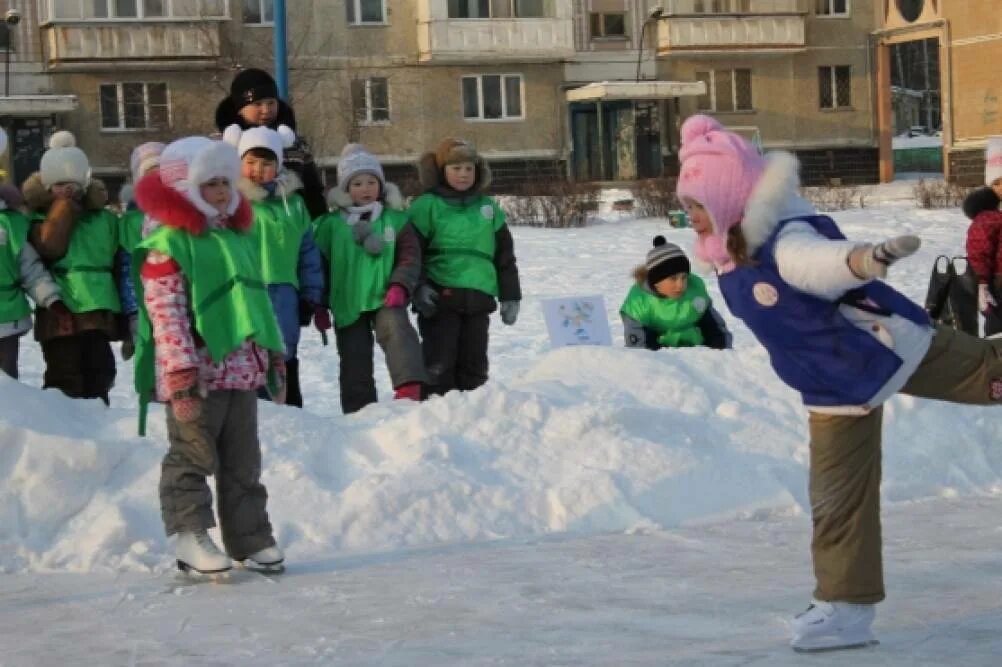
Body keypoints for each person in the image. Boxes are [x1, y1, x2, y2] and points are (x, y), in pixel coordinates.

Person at [675, 114, 1002, 652]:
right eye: (686, 206)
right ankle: (845, 609)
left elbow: (818, 266)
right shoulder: (732, 251)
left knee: (991, 371)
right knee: (835, 498)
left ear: (728, 197)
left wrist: (864, 260)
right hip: (835, 386)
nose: (691, 217)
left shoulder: (785, 238)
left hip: (889, 349)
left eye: (697, 205)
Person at [132, 135, 288, 575]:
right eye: (211, 184)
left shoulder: (235, 235)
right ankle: (189, 534)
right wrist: (180, 372)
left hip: (240, 370)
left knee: (243, 461)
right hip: (196, 375)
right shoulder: (168, 242)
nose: (222, 193)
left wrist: (271, 354)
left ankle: (250, 537)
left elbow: (254, 300)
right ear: (184, 188)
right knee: (193, 455)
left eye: (226, 182)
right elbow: (166, 311)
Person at [313, 143, 427, 413]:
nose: (365, 189)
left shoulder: (395, 220)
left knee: (400, 335)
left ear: (381, 185)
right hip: (347, 303)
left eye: (371, 182)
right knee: (354, 359)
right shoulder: (330, 226)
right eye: (358, 183)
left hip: (385, 297)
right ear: (345, 189)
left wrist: (400, 283)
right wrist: (318, 302)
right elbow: (318, 266)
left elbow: (410, 256)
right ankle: (359, 412)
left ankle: (409, 390)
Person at [409, 138, 520, 395]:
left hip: (479, 297)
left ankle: (473, 413)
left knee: (475, 361)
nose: (463, 174)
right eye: (456, 168)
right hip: (440, 296)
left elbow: (504, 256)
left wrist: (510, 295)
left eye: (469, 168)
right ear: (441, 171)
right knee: (440, 360)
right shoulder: (427, 206)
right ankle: (437, 410)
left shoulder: (488, 208)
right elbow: (411, 252)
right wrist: (419, 286)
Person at [224, 123, 324, 408]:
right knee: (246, 348)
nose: (258, 169)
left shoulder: (293, 205)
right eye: (251, 162)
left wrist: (311, 295)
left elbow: (308, 252)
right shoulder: (233, 203)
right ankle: (249, 406)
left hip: (283, 292)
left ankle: (280, 407)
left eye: (266, 163)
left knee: (282, 348)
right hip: (244, 290)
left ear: (278, 166)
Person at [22, 131, 123, 404]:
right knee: (64, 374)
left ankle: (98, 428)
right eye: (59, 184)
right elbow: (49, 246)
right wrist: (63, 208)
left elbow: (119, 262)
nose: (66, 190)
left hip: (97, 304)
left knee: (99, 369)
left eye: (72, 184)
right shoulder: (36, 219)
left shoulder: (103, 219)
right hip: (59, 307)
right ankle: (66, 434)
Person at [0, 130, 71, 378]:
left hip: (6, 319)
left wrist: (53, 300)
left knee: (7, 385)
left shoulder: (11, 223)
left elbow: (30, 269)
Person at [214, 68, 326, 218]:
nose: (266, 110)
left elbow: (312, 187)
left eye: (271, 103)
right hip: (245, 221)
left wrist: (317, 218)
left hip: (289, 219)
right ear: (240, 109)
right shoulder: (227, 145)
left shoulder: (293, 142)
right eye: (258, 104)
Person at [620, 235, 730, 350]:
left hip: (698, 353)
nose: (680, 285)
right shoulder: (639, 302)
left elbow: (715, 327)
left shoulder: (694, 292)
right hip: (662, 357)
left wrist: (720, 347)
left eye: (684, 277)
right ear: (656, 281)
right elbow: (638, 347)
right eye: (673, 278)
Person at [117, 142, 165, 361]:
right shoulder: (131, 221)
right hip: (143, 304)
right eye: (149, 175)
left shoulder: (179, 214)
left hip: (178, 302)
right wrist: (133, 309)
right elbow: (127, 267)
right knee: (150, 360)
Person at [963, 137, 1002, 336]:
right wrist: (982, 284)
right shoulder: (988, 218)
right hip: (998, 284)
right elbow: (979, 254)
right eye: (997, 183)